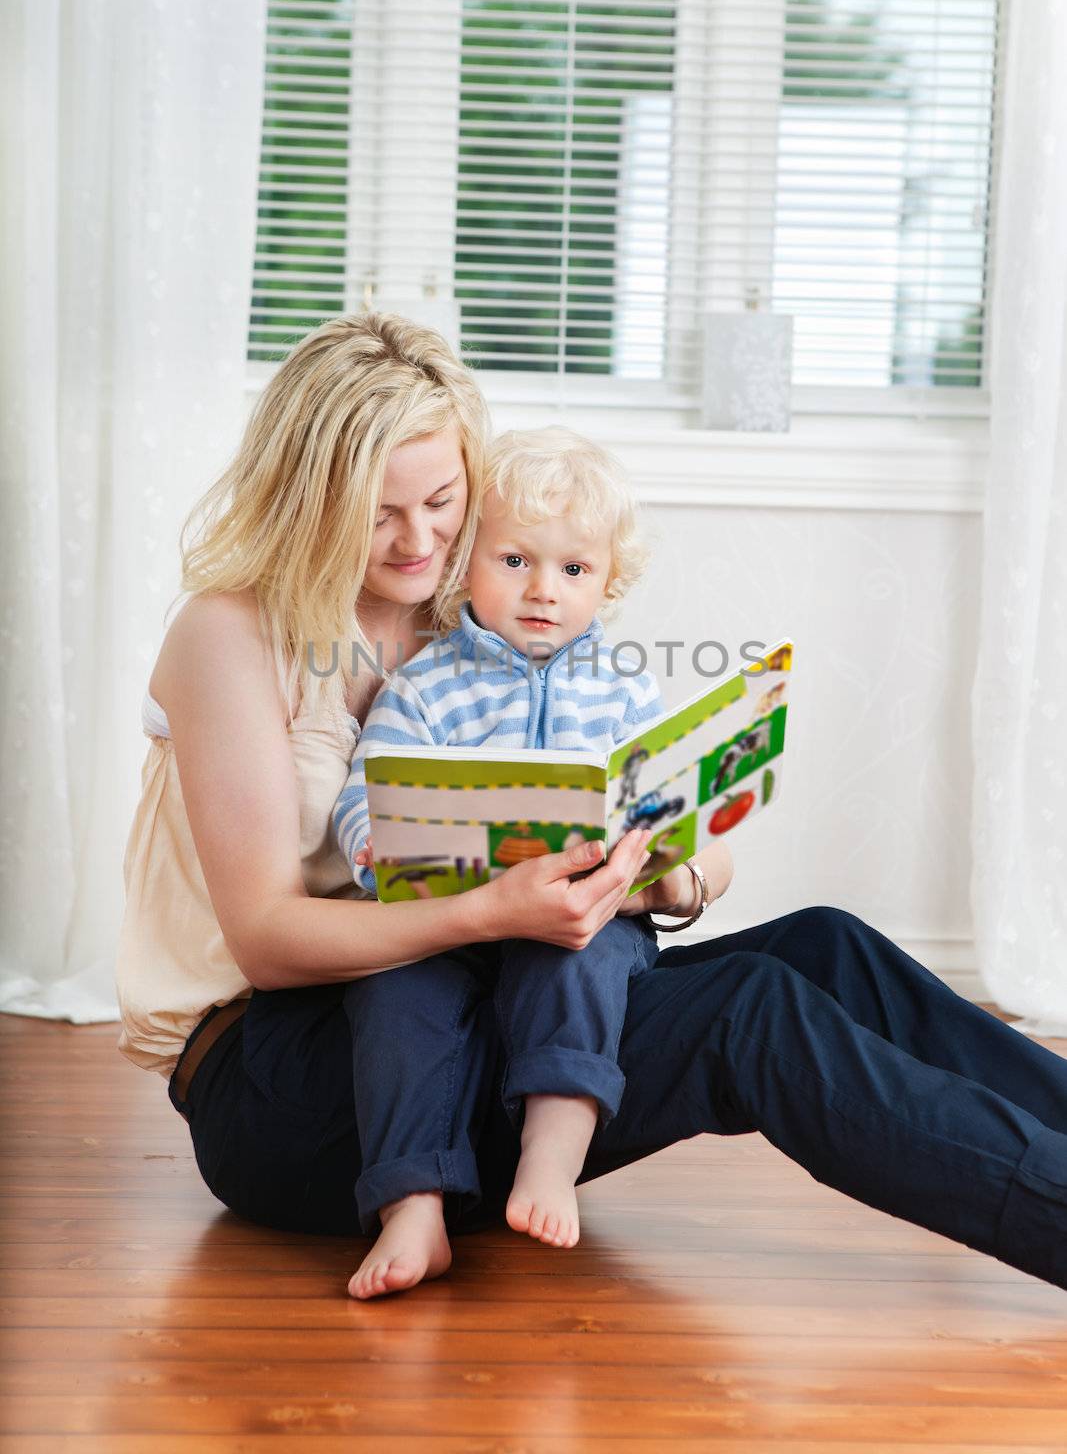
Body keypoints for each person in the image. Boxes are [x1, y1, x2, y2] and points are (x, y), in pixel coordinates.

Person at [116, 311, 1067, 1306]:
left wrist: (662, 873)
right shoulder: (229, 632)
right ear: (308, 495)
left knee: (823, 947)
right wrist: (493, 910)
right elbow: (267, 940)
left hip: (487, 982)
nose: (418, 539)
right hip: (293, 1079)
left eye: (442, 502)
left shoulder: (473, 603)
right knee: (746, 1013)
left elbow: (646, 810)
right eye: (378, 511)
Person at [331, 428, 683, 1293]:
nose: (542, 590)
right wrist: (370, 842)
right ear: (468, 564)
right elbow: (363, 787)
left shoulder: (625, 687)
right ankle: (412, 1208)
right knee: (390, 991)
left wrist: (656, 846)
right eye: (515, 559)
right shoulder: (424, 683)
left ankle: (550, 1164)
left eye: (574, 570)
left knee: (580, 958)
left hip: (577, 916)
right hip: (452, 917)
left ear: (609, 580)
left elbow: (666, 804)